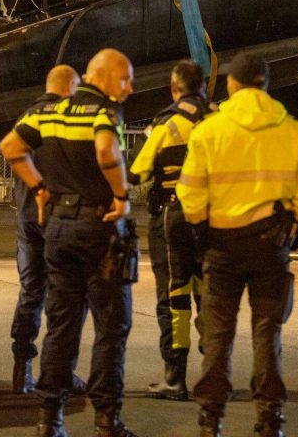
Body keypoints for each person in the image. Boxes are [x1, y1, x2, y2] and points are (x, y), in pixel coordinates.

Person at [176, 53, 298, 437]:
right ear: (265, 85)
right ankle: (269, 419)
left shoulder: (208, 131)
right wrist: (295, 230)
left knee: (217, 336)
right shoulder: (295, 131)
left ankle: (210, 419)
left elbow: (190, 193)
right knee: (267, 334)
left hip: (221, 246)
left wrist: (200, 230)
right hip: (269, 247)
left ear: (231, 84)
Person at [0, 48, 139, 437]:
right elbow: (107, 151)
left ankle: (50, 420)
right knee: (111, 328)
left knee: (61, 326)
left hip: (59, 229)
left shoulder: (48, 112)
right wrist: (122, 196)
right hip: (100, 229)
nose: (131, 86)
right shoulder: (103, 114)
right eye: (125, 77)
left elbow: (10, 147)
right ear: (103, 76)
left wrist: (39, 188)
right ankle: (107, 420)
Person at [127, 59, 213, 401]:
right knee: (209, 294)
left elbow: (136, 172)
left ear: (174, 88)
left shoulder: (166, 123)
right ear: (203, 85)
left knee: (174, 295)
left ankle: (175, 378)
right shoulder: (219, 119)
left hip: (173, 218)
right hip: (214, 218)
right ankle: (215, 371)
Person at [8, 65, 82, 395]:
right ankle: (59, 371)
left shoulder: (26, 116)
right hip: (56, 217)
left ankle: (21, 367)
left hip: (26, 218)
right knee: (65, 295)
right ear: (68, 86)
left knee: (31, 291)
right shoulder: (63, 117)